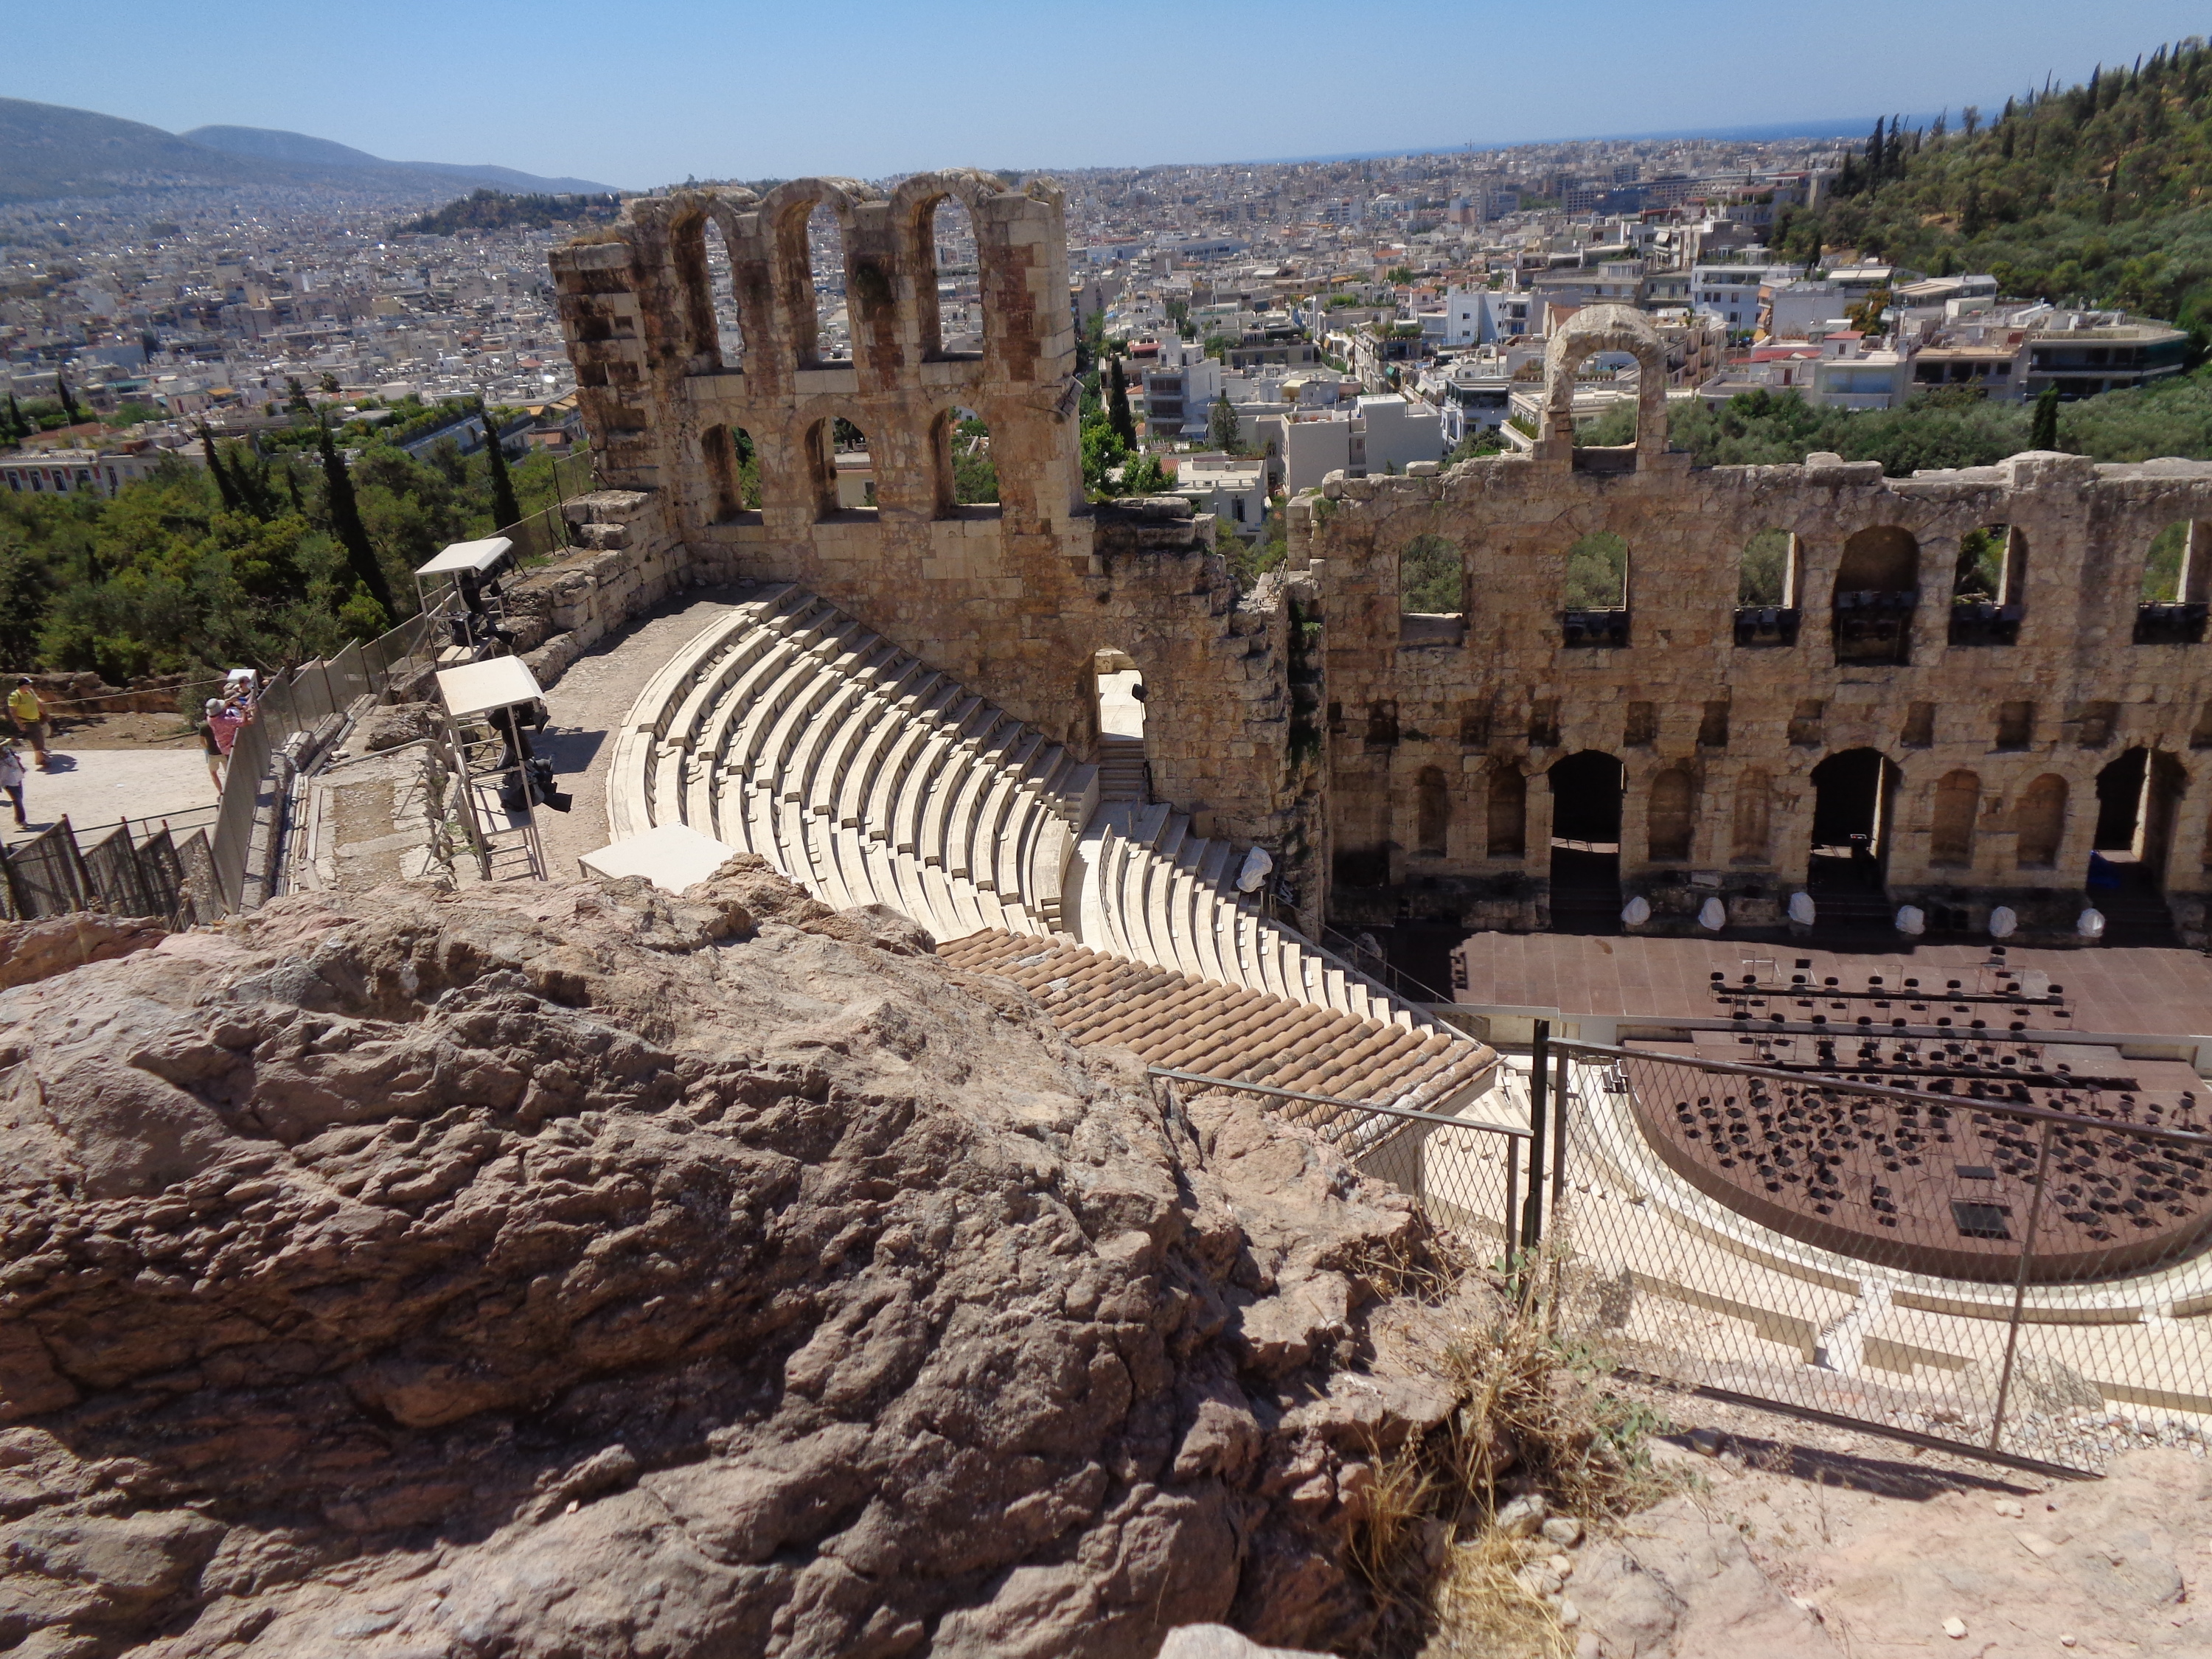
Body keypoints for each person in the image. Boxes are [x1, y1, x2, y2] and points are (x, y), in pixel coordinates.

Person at [7, 678, 48, 771]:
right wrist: (19, 723)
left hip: (35, 720)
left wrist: (45, 714)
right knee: (36, 739)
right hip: (26, 721)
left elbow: (37, 704)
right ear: (23, 685)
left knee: (39, 738)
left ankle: (39, 758)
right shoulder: (15, 696)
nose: (30, 686)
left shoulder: (30, 693)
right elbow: (13, 711)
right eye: (28, 684)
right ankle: (40, 760)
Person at [198, 703, 226, 787]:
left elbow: (202, 742)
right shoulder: (223, 722)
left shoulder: (203, 727)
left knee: (213, 773)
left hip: (212, 753)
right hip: (225, 750)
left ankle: (221, 791)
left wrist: (208, 749)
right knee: (229, 772)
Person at [0, 741, 24, 830]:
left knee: (20, 797)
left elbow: (16, 759)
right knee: (17, 799)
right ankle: (21, 820)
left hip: (17, 776)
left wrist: (21, 767)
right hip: (7, 781)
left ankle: (18, 818)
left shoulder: (8, 751)